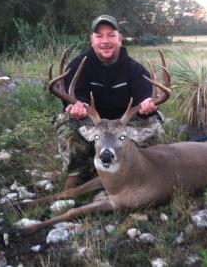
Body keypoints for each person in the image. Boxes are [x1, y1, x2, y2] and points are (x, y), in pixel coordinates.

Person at [54, 15, 165, 189]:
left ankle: (135, 166)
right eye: (99, 36)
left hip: (122, 124)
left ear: (119, 38)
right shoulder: (78, 65)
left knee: (153, 124)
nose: (105, 41)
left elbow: (146, 94)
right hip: (94, 123)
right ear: (92, 40)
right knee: (66, 122)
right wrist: (78, 106)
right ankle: (77, 172)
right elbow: (73, 95)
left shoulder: (134, 69)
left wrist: (147, 104)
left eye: (111, 35)